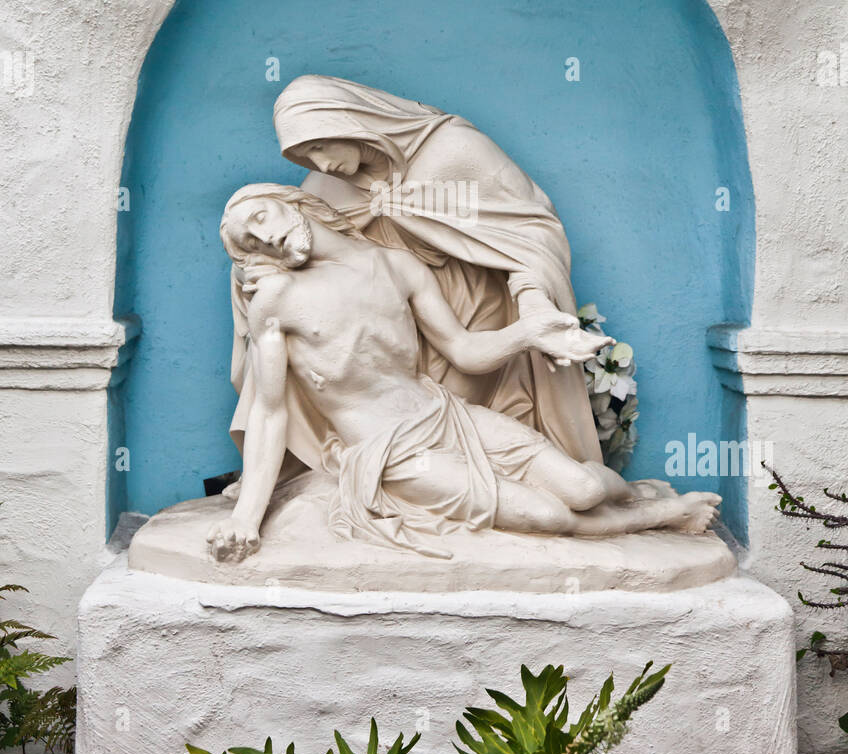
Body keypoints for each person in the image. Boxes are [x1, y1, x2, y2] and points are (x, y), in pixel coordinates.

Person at [210, 183, 719, 563]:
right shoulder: (277, 301)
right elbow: (270, 410)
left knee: (584, 489)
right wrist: (245, 518)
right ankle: (659, 516)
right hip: (392, 454)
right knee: (547, 517)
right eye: (249, 241)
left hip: (445, 415)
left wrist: (530, 332)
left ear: (288, 200)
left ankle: (637, 492)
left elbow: (465, 350)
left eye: (259, 216)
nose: (263, 237)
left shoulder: (397, 266)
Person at [272, 75, 604, 464]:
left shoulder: (454, 150)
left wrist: (533, 303)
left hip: (472, 310)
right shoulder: (324, 189)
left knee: (440, 430)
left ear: (348, 120)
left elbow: (530, 235)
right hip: (395, 327)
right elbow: (300, 262)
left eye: (320, 146)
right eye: (307, 155)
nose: (321, 163)